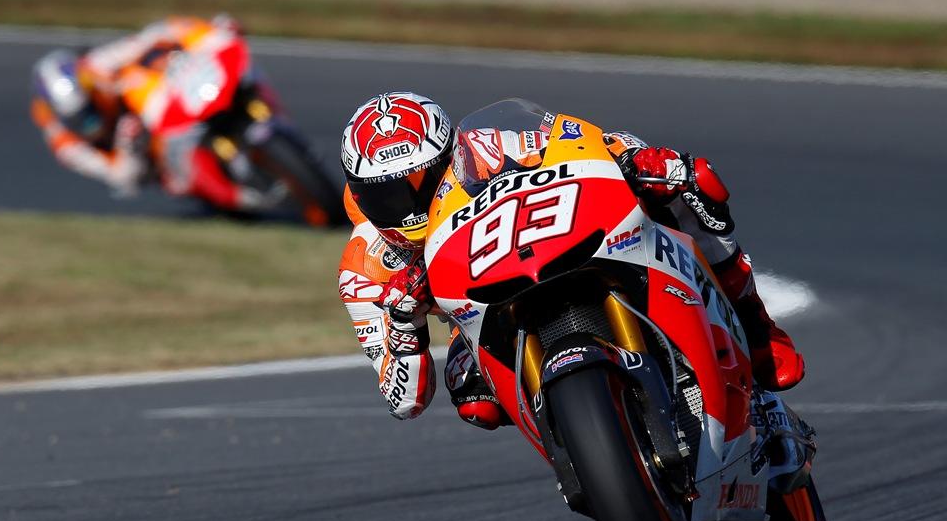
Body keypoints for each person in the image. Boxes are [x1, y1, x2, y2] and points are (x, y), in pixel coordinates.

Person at [337, 92, 804, 427]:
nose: (410, 208)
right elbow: (403, 399)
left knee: (684, 186)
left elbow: (583, 142)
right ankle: (584, 444)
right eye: (387, 196)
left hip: (555, 240)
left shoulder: (488, 148)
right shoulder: (364, 269)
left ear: (451, 154)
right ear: (358, 195)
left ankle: (756, 326)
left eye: (424, 182)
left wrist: (640, 160)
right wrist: (404, 324)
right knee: (473, 395)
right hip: (478, 310)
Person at [30, 15, 267, 206]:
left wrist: (209, 33)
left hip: (160, 104)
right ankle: (240, 198)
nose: (88, 121)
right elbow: (121, 176)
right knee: (180, 181)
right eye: (77, 118)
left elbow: (151, 37)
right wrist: (128, 146)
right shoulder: (66, 145)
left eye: (89, 108)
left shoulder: (97, 66)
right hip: (145, 156)